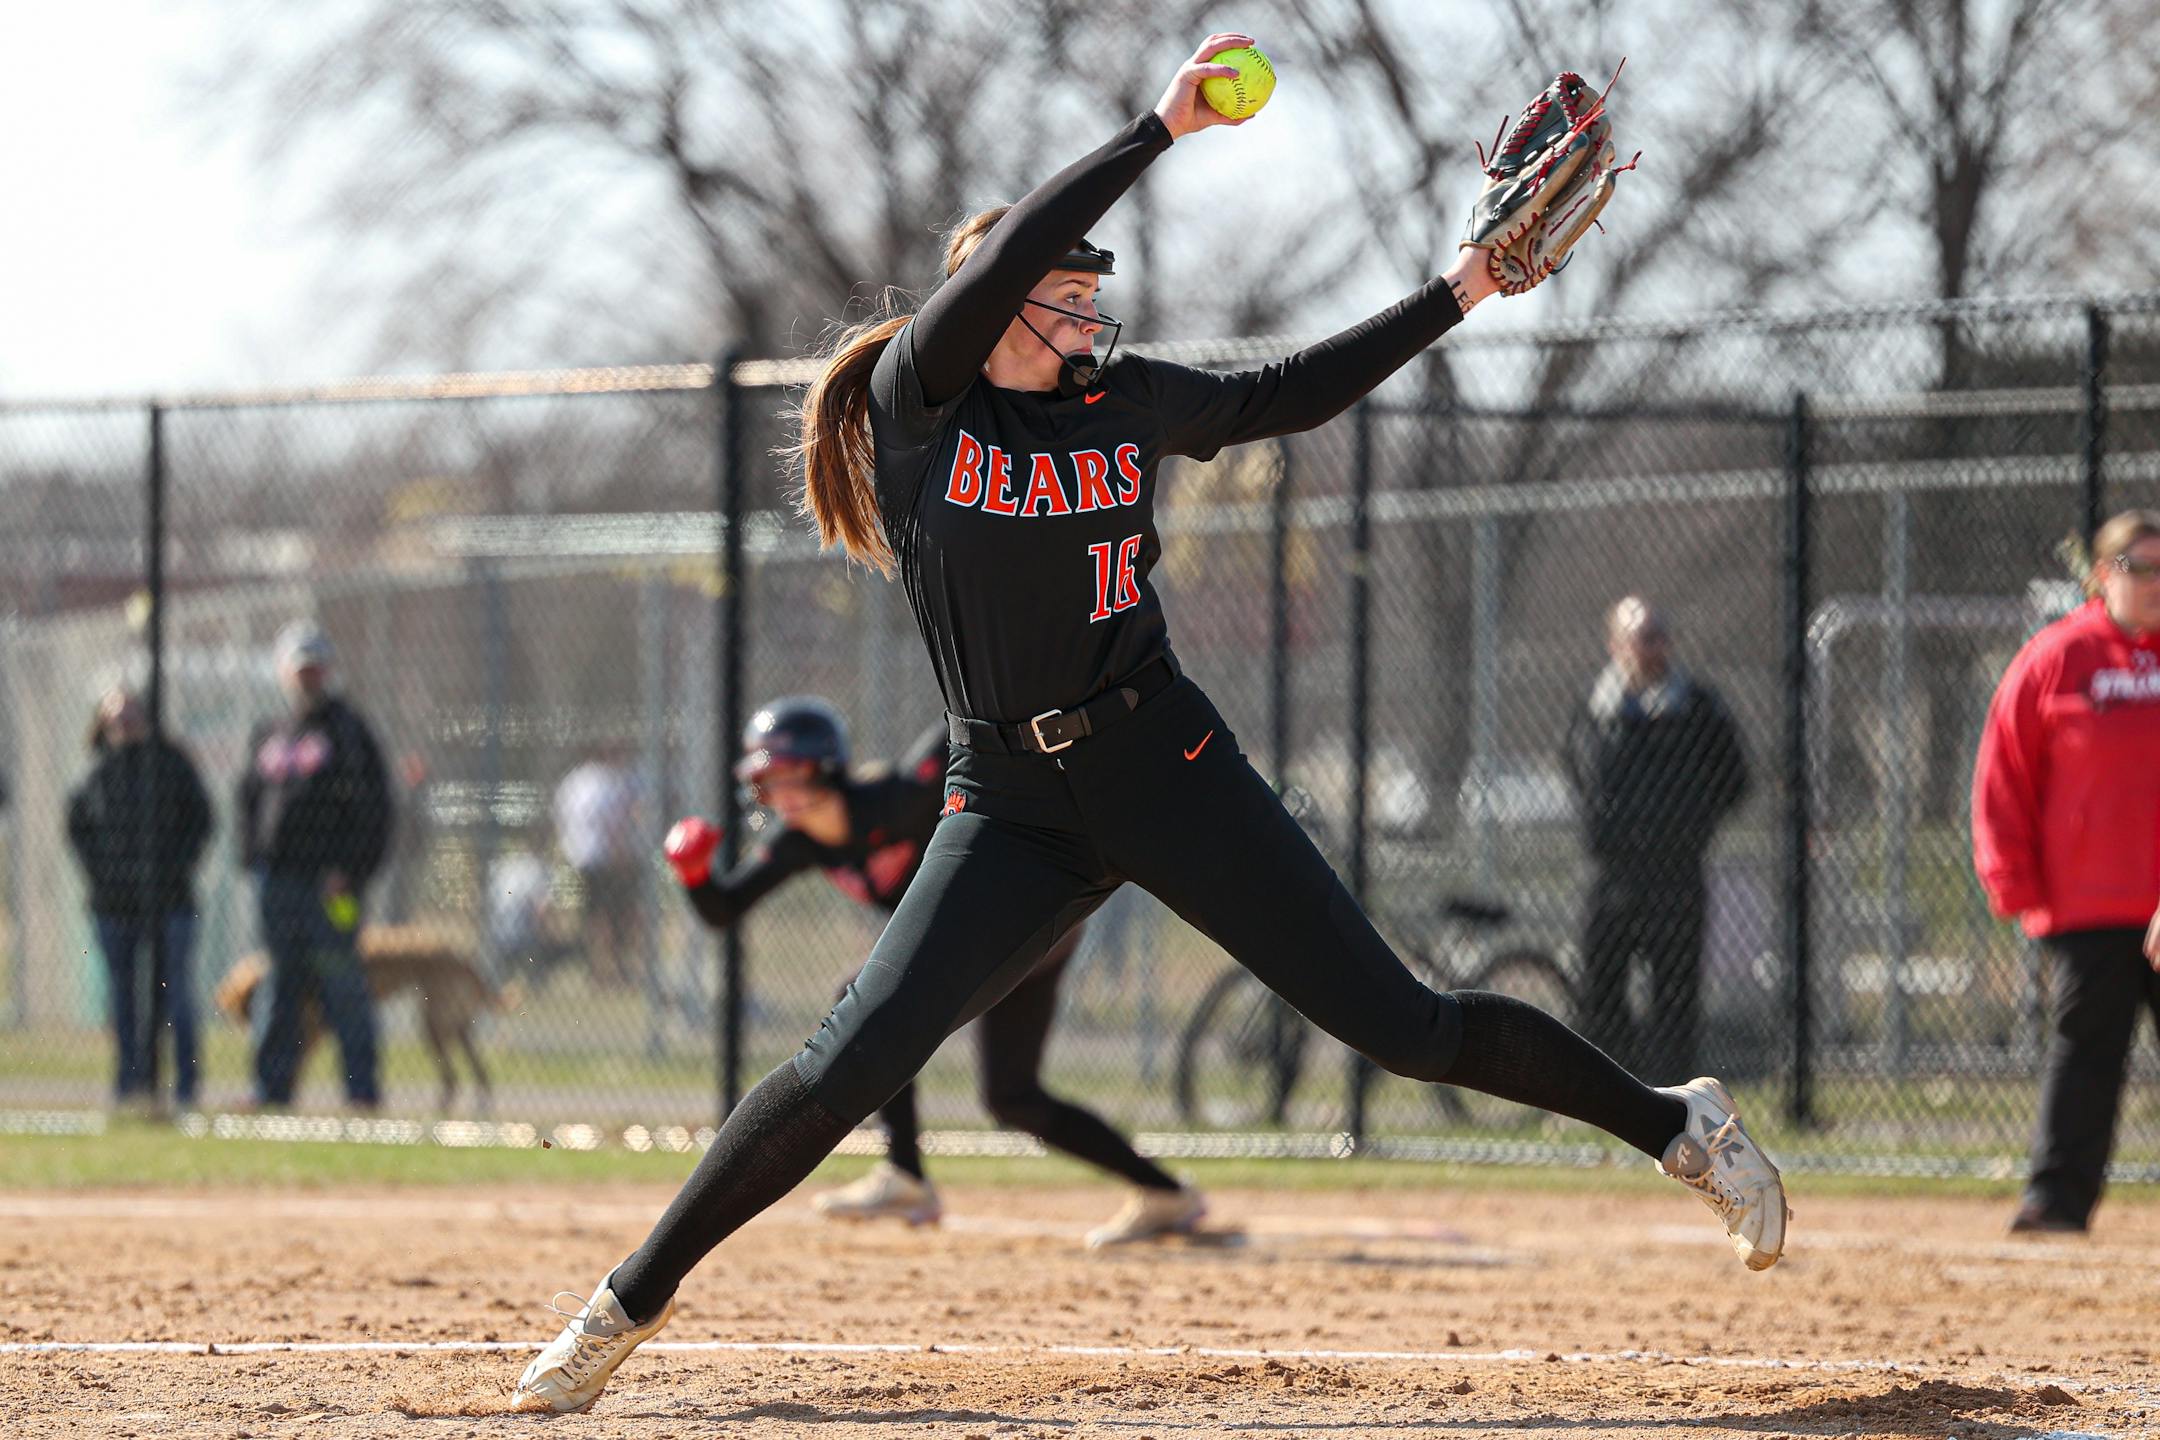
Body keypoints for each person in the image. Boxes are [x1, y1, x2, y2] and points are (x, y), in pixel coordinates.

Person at [515, 37, 1788, 1413]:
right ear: (991, 306)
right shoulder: (922, 411)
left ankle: (1679, 1126)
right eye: (1064, 296)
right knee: (849, 1062)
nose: (1087, 314)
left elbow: (1289, 390)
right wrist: (1157, 128)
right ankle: (623, 1305)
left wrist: (1459, 291)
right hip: (1007, 805)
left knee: (1402, 1026)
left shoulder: (1123, 401)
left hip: (1166, 765)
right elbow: (1013, 263)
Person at [664, 695, 1203, 1245]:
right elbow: (723, 909)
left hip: (1031, 919)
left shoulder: (894, 799)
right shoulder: (798, 844)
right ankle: (1165, 1194)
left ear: (825, 764)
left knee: (864, 999)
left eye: (789, 772)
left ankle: (904, 1175)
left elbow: (955, 733)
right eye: (767, 779)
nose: (780, 791)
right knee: (1011, 1096)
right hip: (994, 942)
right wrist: (693, 873)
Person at [1973, 509, 2160, 1235]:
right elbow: (2003, 771)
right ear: (2104, 575)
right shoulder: (2059, 655)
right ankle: (2057, 1199)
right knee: (2086, 1050)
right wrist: (2010, 878)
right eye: (2140, 568)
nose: (2154, 585)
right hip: (2088, 903)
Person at [1563, 597, 1751, 1083]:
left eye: (1659, 636)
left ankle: (1674, 1099)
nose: (1653, 647)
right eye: (1642, 636)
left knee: (1674, 998)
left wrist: (1692, 826)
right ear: (1615, 644)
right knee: (1600, 992)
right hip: (1611, 876)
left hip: (1676, 877)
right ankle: (1611, 1095)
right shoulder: (1594, 709)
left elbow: (1735, 780)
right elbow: (1574, 768)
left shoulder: (1698, 708)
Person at [236, 621, 394, 1110]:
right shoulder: (271, 732)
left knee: (342, 982)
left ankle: (361, 1092)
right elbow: (247, 799)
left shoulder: (348, 731)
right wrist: (253, 858)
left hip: (333, 888)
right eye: (299, 669)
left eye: (315, 668)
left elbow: (377, 809)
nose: (308, 678)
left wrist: (352, 869)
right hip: (278, 884)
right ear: (284, 673)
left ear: (327, 671)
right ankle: (271, 1090)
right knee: (279, 987)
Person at [65, 687, 214, 1112]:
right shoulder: (94, 775)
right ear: (102, 723)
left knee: (175, 992)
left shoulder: (171, 765)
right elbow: (77, 832)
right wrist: (104, 876)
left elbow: (202, 820)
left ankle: (186, 1087)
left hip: (171, 899)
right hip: (114, 904)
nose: (126, 723)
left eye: (133, 714)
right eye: (117, 716)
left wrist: (175, 867)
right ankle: (130, 1087)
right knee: (123, 995)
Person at [553, 748, 646, 989]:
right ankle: (611, 969)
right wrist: (621, 853)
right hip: (610, 859)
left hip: (581, 857)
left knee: (595, 915)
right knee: (612, 916)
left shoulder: (574, 781)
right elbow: (615, 823)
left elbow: (561, 819)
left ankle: (599, 970)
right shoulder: (607, 780)